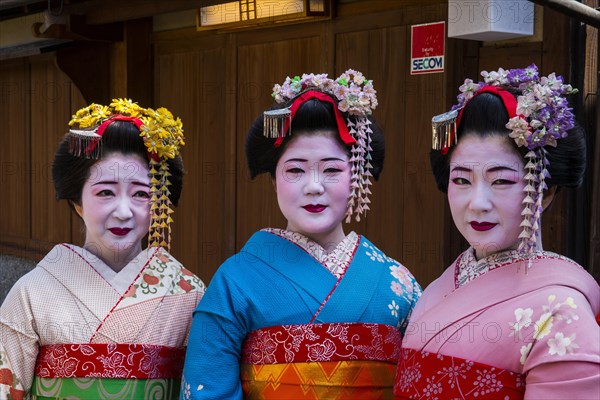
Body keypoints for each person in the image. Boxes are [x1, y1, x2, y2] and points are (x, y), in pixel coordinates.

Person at [180, 70, 421, 399]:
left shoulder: (398, 284)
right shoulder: (234, 281)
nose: (313, 187)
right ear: (273, 178)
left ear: (358, 176)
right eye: (295, 170)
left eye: (332, 169)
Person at [394, 65, 600, 400]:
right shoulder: (435, 290)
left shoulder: (562, 310)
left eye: (501, 180)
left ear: (545, 191)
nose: (477, 203)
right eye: (461, 180)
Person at [0, 99, 206, 399]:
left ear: (159, 205)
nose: (123, 211)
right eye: (106, 192)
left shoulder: (189, 294)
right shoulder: (33, 292)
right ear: (77, 201)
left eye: (140, 194)